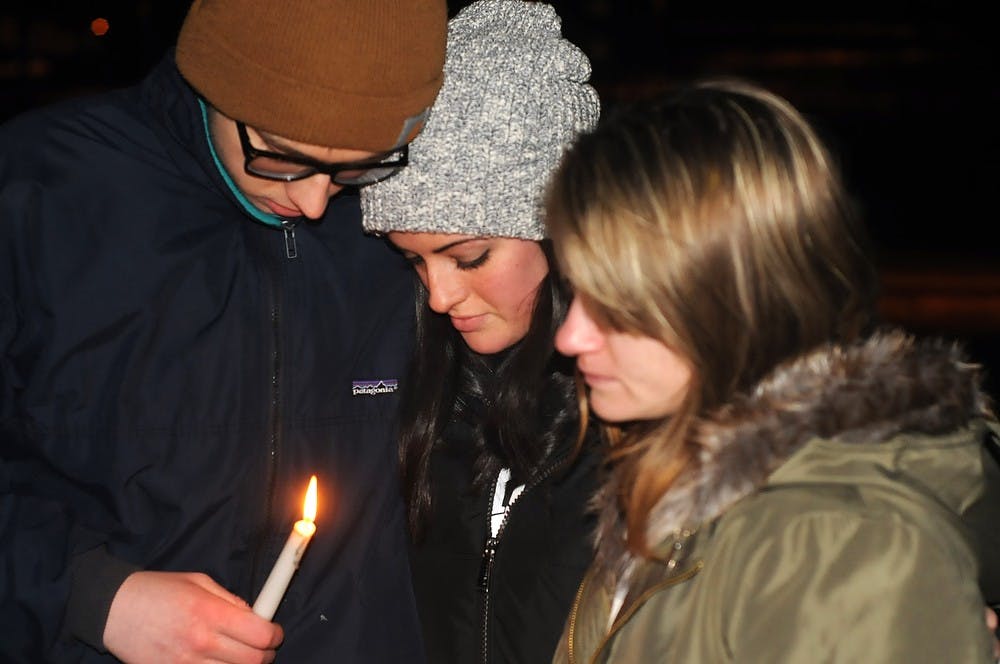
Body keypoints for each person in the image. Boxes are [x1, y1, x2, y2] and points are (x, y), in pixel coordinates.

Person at [0, 0, 446, 661]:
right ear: (217, 83)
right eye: (282, 158)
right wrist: (93, 597)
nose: (315, 203)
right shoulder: (38, 191)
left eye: (361, 167)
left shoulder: (423, 224)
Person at [545, 79, 1000, 662]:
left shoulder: (838, 542)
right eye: (577, 292)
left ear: (729, 301)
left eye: (617, 307)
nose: (570, 336)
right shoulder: (676, 493)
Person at [359, 2, 601, 662]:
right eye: (414, 259)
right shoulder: (418, 386)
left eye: (470, 258)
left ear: (562, 233)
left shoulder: (633, 405)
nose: (439, 296)